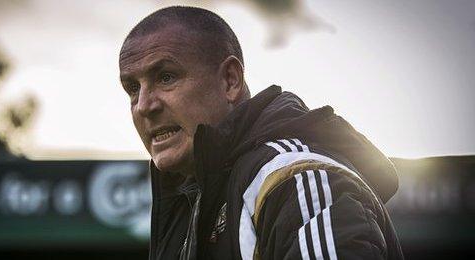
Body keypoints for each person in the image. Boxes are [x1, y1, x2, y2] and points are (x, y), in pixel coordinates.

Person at [118, 6, 404, 260]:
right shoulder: (193, 198)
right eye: (133, 89)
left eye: (166, 77)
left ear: (230, 80)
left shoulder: (293, 178)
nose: (144, 106)